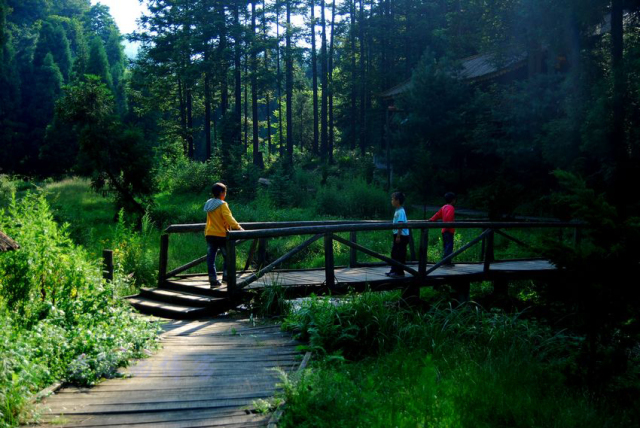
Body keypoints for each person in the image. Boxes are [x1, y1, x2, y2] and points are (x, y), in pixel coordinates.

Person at [204, 183, 244, 288]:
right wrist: (238, 227)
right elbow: (228, 218)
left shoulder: (209, 203)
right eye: (225, 192)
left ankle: (213, 280)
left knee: (210, 258)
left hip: (210, 234)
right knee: (228, 257)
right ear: (222, 193)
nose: (225, 194)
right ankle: (226, 277)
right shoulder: (222, 204)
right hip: (221, 235)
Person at [386, 191, 410, 278]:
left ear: (398, 200)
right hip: (398, 235)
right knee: (394, 253)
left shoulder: (401, 211)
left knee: (399, 253)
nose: (391, 201)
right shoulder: (398, 210)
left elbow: (400, 224)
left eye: (393, 199)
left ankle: (399, 271)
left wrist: (398, 236)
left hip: (401, 236)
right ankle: (393, 270)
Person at [429, 192, 456, 266]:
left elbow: (437, 215)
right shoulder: (451, 208)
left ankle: (446, 260)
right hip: (449, 230)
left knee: (446, 245)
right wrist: (448, 225)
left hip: (444, 230)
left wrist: (431, 219)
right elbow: (448, 217)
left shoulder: (444, 207)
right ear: (453, 200)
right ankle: (446, 261)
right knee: (449, 246)